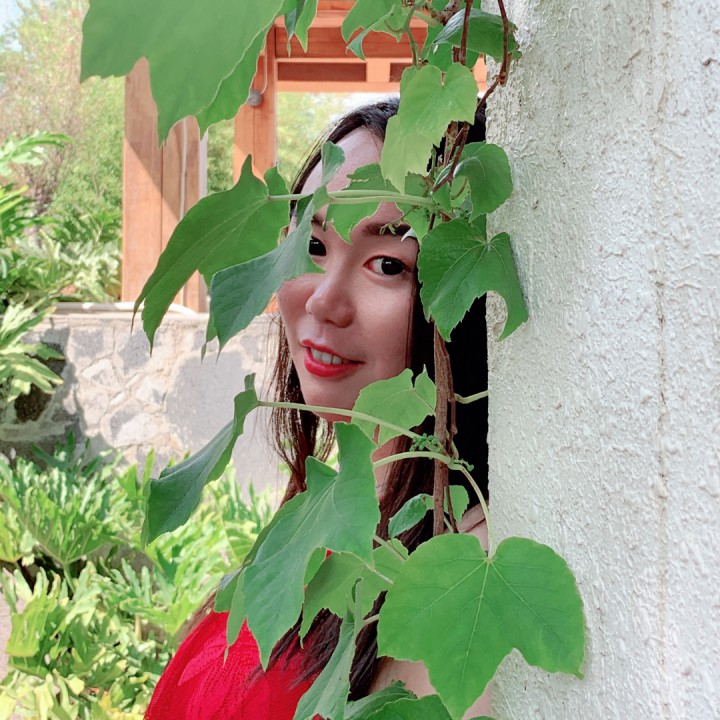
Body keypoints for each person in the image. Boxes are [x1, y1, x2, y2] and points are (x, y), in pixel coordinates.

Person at [145, 99, 490, 719]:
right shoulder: (324, 513)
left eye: (388, 265)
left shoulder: (460, 574)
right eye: (312, 243)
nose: (325, 300)